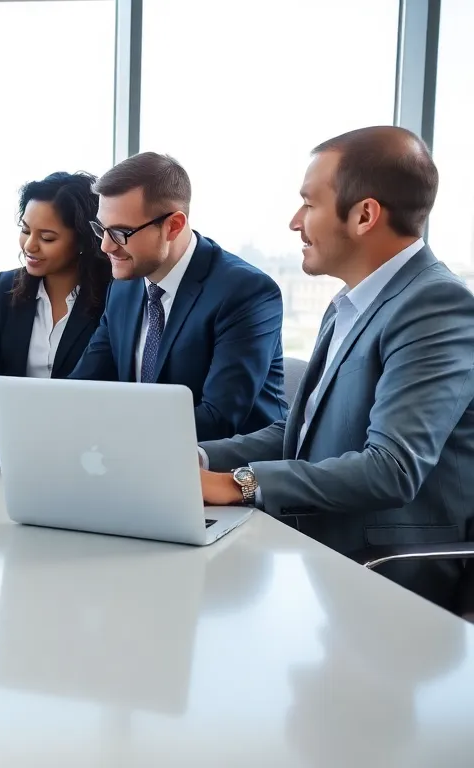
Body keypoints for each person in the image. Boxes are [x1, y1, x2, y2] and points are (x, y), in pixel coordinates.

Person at [199, 126, 474, 610]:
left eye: (309, 203)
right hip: (314, 547)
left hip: (387, 573)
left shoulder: (435, 305)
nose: (295, 222)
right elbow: (300, 433)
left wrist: (238, 484)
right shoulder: (351, 303)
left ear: (364, 215)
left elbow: (391, 469)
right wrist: (197, 459)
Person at [69, 152, 287, 440]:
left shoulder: (245, 292)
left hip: (226, 461)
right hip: (139, 454)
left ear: (173, 226)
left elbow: (218, 419)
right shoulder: (124, 287)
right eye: (101, 229)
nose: (106, 246)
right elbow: (83, 386)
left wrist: (116, 434)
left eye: (121, 232)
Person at [0, 172, 112, 379]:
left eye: (47, 238)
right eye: (26, 231)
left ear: (83, 241)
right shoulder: (5, 288)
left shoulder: (112, 296)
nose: (29, 246)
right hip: (11, 402)